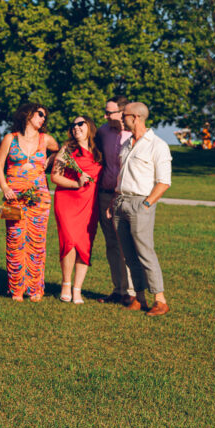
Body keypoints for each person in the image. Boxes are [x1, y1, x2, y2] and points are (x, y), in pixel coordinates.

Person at [111, 102, 172, 316]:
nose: (121, 119)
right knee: (128, 254)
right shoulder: (127, 143)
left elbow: (164, 182)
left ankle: (160, 299)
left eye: (124, 115)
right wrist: (115, 201)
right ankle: (139, 297)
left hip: (140, 203)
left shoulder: (157, 145)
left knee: (145, 252)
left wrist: (146, 204)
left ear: (135, 117)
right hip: (121, 202)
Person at [0, 103, 59, 301]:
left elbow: (60, 151)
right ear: (28, 114)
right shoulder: (10, 138)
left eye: (44, 116)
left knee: (36, 242)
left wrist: (48, 163)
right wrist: (5, 188)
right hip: (12, 198)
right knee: (14, 240)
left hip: (40, 198)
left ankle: (35, 289)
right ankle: (16, 289)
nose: (43, 118)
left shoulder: (46, 140)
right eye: (40, 114)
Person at [51, 115, 103, 305]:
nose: (76, 127)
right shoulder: (67, 150)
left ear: (89, 126)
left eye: (80, 124)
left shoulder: (99, 151)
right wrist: (75, 183)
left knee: (84, 244)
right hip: (67, 200)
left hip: (89, 204)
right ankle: (66, 284)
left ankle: (77, 289)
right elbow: (55, 177)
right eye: (73, 125)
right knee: (69, 241)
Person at [95, 96, 134, 305]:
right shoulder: (102, 131)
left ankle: (131, 292)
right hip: (104, 194)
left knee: (126, 243)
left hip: (125, 196)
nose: (105, 116)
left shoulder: (133, 134)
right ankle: (118, 289)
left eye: (109, 112)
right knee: (111, 244)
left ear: (122, 112)